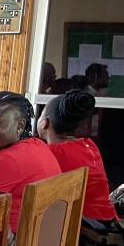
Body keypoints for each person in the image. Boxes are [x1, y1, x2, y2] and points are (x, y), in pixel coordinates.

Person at [0, 91, 61, 234]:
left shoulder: (8, 160)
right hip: (40, 236)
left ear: (20, 126)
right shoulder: (37, 145)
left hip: (11, 244)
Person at [38, 90, 117, 222]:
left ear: (45, 123)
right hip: (107, 221)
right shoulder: (88, 145)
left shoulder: (50, 153)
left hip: (87, 228)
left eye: (40, 115)